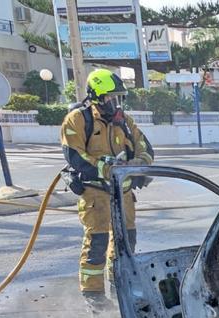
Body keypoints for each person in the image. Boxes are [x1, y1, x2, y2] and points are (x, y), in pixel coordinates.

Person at [60, 69, 154, 301]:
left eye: (119, 98)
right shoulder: (78, 120)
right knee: (97, 245)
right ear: (97, 97)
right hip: (96, 195)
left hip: (124, 195)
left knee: (127, 244)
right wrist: (106, 168)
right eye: (112, 98)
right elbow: (74, 156)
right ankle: (94, 297)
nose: (116, 104)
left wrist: (137, 164)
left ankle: (119, 288)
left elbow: (146, 149)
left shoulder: (124, 121)